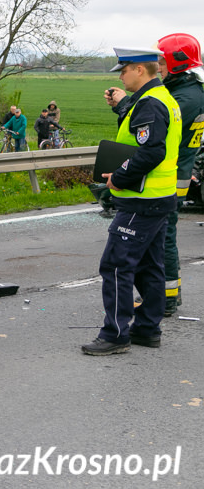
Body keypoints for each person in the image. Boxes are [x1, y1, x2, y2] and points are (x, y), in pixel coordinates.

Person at [83, 47, 180, 355]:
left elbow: (151, 151)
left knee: (115, 266)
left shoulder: (150, 104)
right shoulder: (162, 98)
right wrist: (122, 106)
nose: (121, 76)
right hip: (159, 197)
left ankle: (115, 334)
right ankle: (147, 328)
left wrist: (118, 178)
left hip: (142, 199)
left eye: (123, 70)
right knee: (149, 266)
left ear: (140, 69)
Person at [156, 33, 204, 316]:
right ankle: (165, 294)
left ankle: (167, 297)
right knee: (163, 234)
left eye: (161, 61)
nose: (157, 66)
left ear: (176, 62)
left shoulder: (183, 99)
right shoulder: (194, 92)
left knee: (164, 235)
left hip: (172, 176)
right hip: (181, 173)